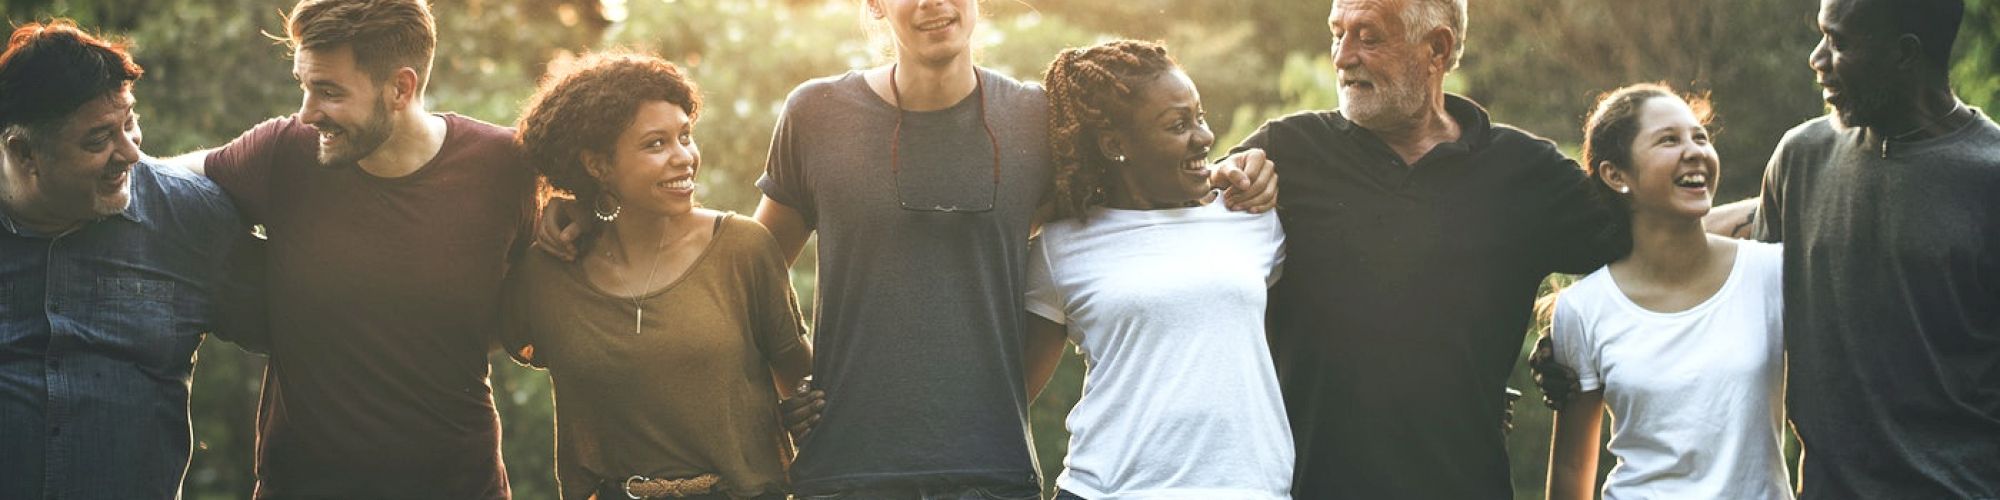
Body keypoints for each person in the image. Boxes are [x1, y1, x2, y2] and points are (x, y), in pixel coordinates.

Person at [532, 1, 1277, 498]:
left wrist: (1230, 169)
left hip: (992, 470)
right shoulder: (816, 112)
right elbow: (744, 265)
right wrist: (593, 210)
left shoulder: (1033, 121)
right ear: (874, 7)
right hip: (845, 468)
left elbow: (1129, 196)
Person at [1230, 0, 1637, 496]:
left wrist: (1570, 341)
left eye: (1368, 36)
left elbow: (1653, 241)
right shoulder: (1285, 152)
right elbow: (1176, 235)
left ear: (1437, 49)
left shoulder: (1524, 173)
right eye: (1338, 33)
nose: (1341, 56)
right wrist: (1224, 181)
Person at [166, 0, 538, 496]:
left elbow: (530, 299)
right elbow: (156, 184)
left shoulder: (504, 166)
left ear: (401, 88)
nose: (306, 112)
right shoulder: (284, 152)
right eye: (304, 85)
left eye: (329, 91)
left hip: (457, 485)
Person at [503, 51, 812, 500]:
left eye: (685, 136)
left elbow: (804, 385)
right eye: (656, 144)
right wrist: (557, 212)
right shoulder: (548, 272)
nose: (683, 157)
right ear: (597, 165)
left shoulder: (743, 248)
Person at [0, 19, 263, 499]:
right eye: (97, 140)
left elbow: (314, 329)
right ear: (25, 151)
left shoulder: (189, 218)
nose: (130, 153)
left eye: (130, 122)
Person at [1023, 40, 1292, 500]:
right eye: (1178, 125)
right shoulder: (1061, 245)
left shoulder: (1251, 218)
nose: (1204, 138)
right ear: (1115, 145)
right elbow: (1012, 396)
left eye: (1200, 117)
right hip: (1107, 490)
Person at [1752, 0, 2000, 495]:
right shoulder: (1799, 159)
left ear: (1905, 54)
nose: (1816, 59)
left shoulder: (1989, 180)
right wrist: (1583, 335)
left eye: (1839, 43)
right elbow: (1731, 307)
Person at [1542, 84, 1790, 500]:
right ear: (1616, 175)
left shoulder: (1771, 273)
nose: (1695, 151)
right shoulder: (1582, 309)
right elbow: (1571, 466)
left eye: (1700, 137)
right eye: (1669, 140)